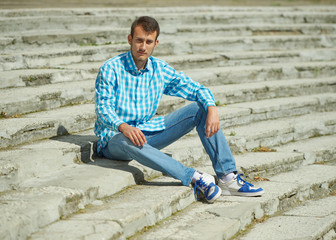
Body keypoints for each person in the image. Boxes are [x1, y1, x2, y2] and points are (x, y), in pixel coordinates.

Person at [94, 16, 264, 203]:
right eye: (139, 40)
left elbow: (196, 88)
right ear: (129, 39)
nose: (143, 46)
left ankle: (227, 178)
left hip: (147, 132)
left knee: (200, 109)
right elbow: (103, 109)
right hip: (115, 140)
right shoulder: (111, 68)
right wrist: (124, 127)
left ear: (155, 43)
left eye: (148, 41)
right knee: (126, 140)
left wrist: (211, 107)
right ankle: (194, 178)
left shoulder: (160, 69)